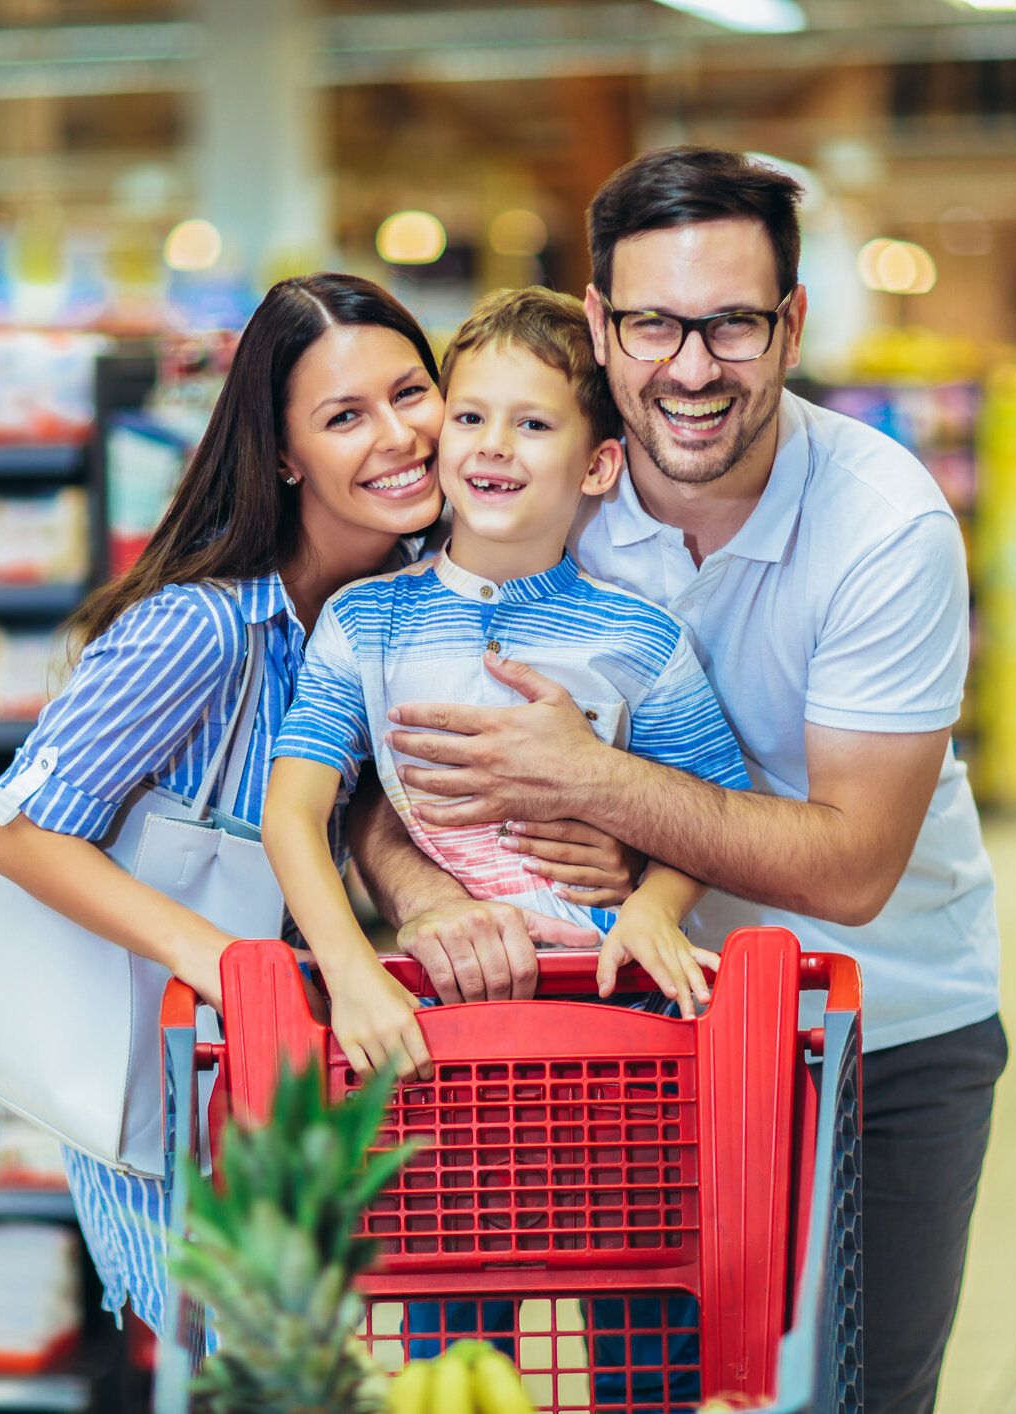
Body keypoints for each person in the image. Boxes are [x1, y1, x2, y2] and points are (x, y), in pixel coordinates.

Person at [351, 148, 1006, 1414]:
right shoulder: (533, 490)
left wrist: (597, 785)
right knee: (639, 1388)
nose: (692, 367)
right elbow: (390, 770)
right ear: (599, 325)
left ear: (792, 325)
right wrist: (423, 897)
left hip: (882, 1036)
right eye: (653, 323)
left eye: (732, 325)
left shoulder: (885, 527)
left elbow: (855, 864)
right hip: (623, 1033)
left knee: (852, 1393)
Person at [0, 272, 643, 1374]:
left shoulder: (415, 608)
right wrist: (233, 961)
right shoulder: (200, 629)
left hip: (309, 1092)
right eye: (344, 417)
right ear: (283, 455)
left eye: (411, 392)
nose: (399, 436)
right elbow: (22, 829)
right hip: (175, 1099)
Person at [262, 286, 753, 1082]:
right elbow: (293, 811)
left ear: (598, 465)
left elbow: (708, 810)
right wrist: (350, 972)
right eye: (469, 417)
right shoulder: (362, 621)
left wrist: (653, 910)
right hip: (435, 1026)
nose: (493, 445)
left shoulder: (643, 637)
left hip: (621, 1025)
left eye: (531, 424)